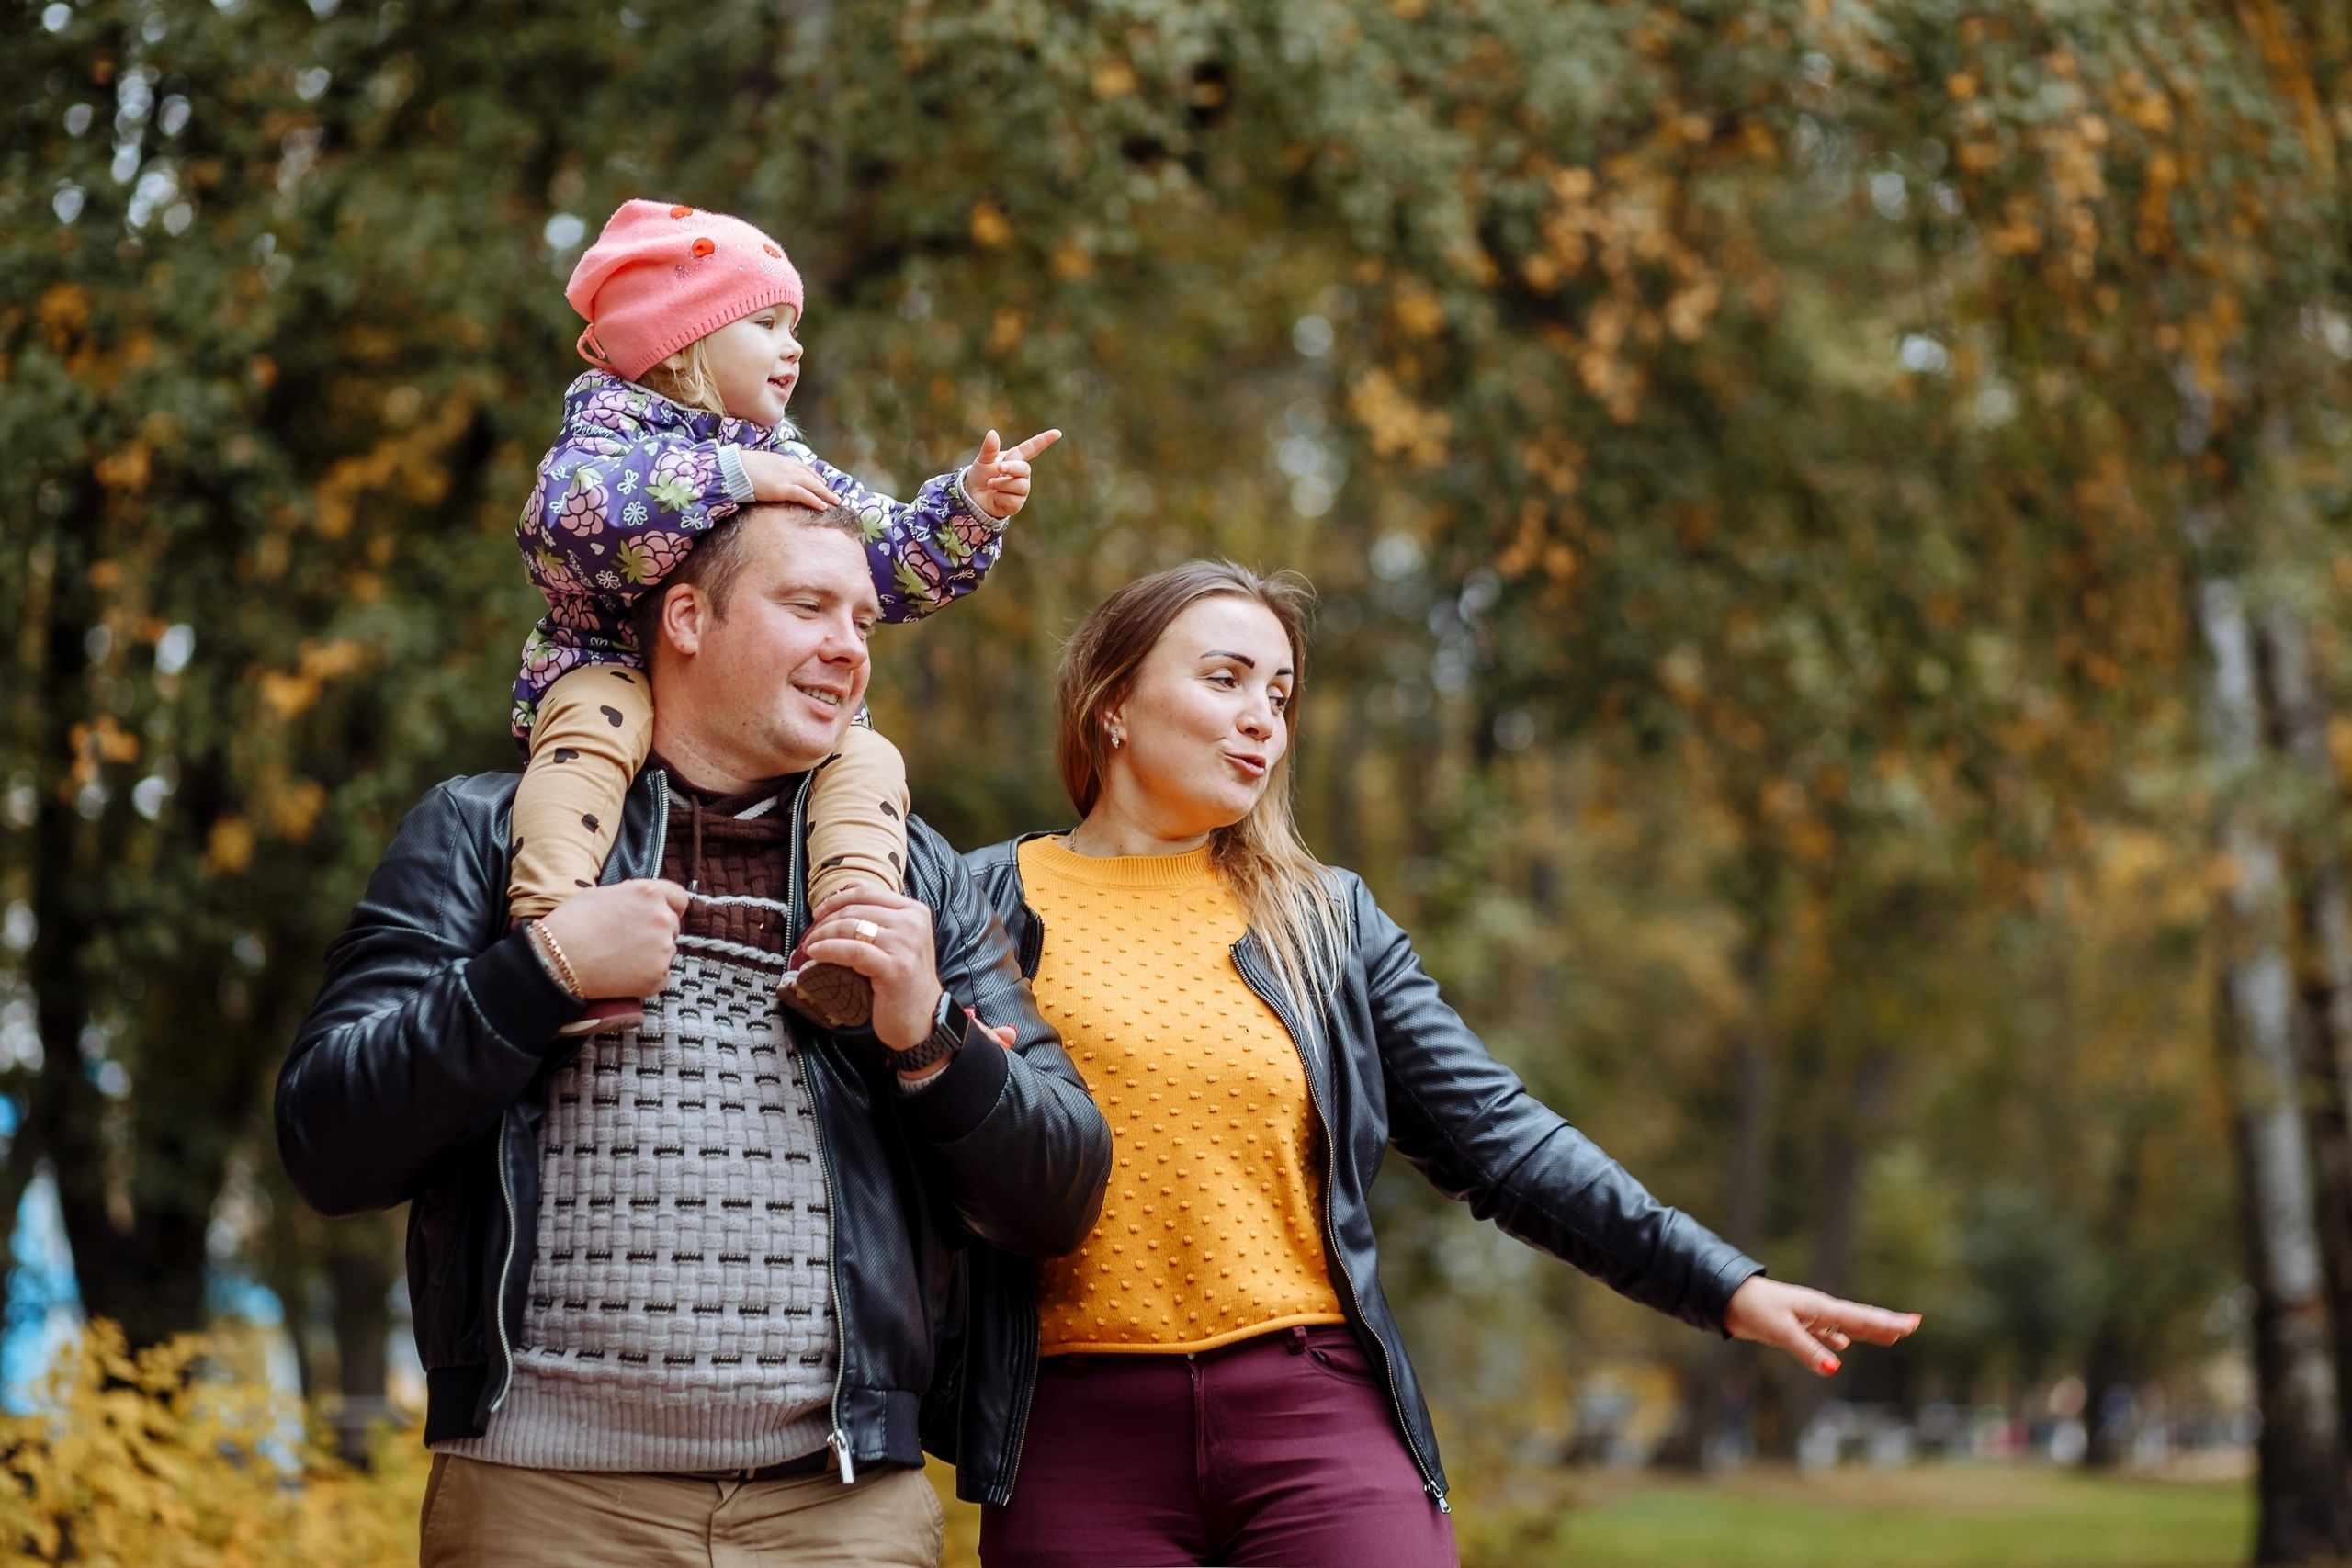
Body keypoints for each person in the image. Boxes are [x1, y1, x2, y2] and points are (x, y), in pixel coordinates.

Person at [955, 560, 1923, 1567]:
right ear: (1112, 703)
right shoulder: (974, 903)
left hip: (1311, 1414)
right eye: (1226, 679)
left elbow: (1499, 1141)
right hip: (1070, 1433)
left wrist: (1718, 1283)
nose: (1263, 722)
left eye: (1280, 696)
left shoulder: (1323, 921)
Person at [277, 502, 1112, 1567]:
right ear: (686, 617)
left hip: (839, 1514)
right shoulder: (487, 831)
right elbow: (327, 1141)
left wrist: (925, 1035)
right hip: (544, 1504)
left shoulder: (915, 874)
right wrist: (541, 971)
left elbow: (1063, 1191)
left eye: (862, 620)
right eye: (808, 605)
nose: (848, 645)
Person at [511, 197, 1060, 1033]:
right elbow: (568, 517)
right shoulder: (610, 429)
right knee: (589, 730)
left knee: (867, 760)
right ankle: (552, 935)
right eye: (766, 322)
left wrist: (968, 512)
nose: (792, 346)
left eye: (792, 325)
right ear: (682, 339)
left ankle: (850, 940)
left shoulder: (788, 457)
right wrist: (729, 477)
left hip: (760, 718)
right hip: (610, 668)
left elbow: (880, 556)